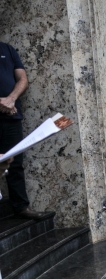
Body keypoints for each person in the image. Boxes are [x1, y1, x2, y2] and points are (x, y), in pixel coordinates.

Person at [0, 42, 46, 219]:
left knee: (15, 164)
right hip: (7, 110)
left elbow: (23, 79)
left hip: (11, 118)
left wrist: (11, 99)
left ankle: (21, 207)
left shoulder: (8, 49)